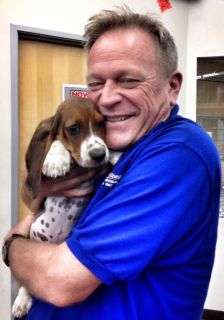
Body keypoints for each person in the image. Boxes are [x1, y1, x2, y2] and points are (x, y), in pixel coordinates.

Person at [3, 6, 221, 320]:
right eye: (95, 83)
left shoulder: (179, 152)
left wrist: (11, 245)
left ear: (172, 87)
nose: (106, 99)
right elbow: (35, 196)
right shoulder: (114, 146)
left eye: (128, 80)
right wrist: (39, 189)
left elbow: (60, 282)